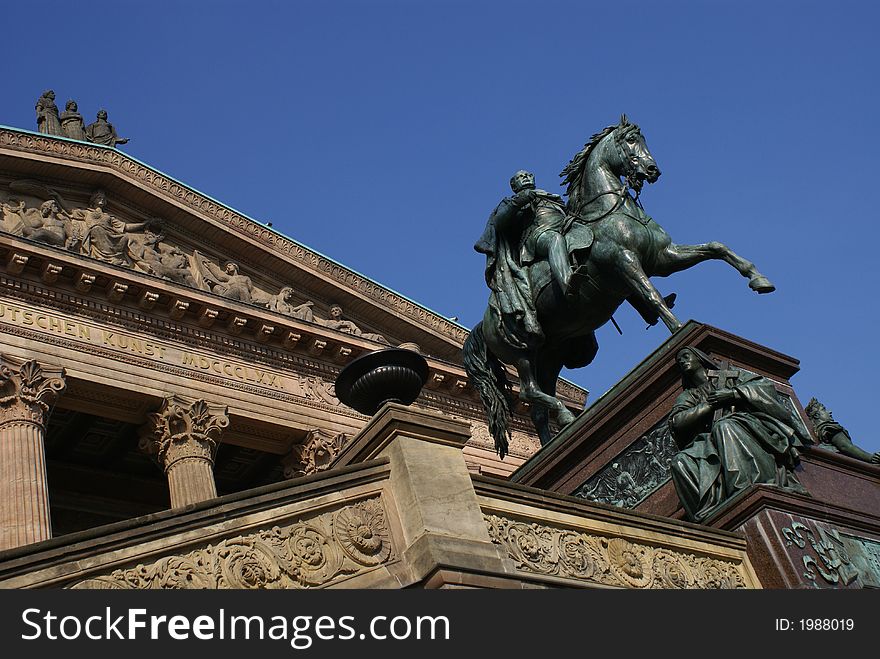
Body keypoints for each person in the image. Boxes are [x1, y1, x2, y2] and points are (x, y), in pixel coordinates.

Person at [667, 346, 809, 522]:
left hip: (748, 425)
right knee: (679, 461)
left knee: (723, 426)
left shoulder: (729, 375)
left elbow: (764, 387)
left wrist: (733, 394)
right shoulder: (689, 395)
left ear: (699, 358)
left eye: (686, 356)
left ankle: (742, 486)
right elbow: (677, 421)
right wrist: (709, 406)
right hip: (711, 441)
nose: (682, 361)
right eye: (679, 360)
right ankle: (710, 514)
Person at [475, 170, 574, 350]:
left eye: (529, 175)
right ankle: (569, 285)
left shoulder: (549, 197)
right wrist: (519, 201)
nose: (526, 177)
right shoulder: (511, 202)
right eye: (521, 177)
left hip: (566, 230)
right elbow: (499, 223)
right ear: (514, 186)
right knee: (555, 240)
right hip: (536, 238)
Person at [804, 398, 880, 464]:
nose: (829, 412)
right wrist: (871, 458)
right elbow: (845, 446)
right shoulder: (830, 428)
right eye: (824, 409)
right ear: (817, 415)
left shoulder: (818, 432)